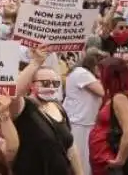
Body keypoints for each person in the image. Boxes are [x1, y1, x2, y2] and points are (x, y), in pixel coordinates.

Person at [10, 45, 82, 175]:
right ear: (31, 84)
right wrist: (36, 62)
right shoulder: (23, 107)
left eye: (55, 84)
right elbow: (13, 94)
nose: (51, 87)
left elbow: (70, 147)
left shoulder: (58, 107)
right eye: (45, 83)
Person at [89, 56, 128, 175]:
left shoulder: (120, 98)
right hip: (103, 157)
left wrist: (120, 159)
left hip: (109, 159)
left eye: (100, 73)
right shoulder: (121, 95)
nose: (98, 78)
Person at [63, 49, 105, 175]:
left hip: (83, 122)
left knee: (84, 161)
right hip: (79, 123)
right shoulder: (82, 73)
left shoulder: (81, 72)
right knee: (81, 162)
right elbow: (102, 91)